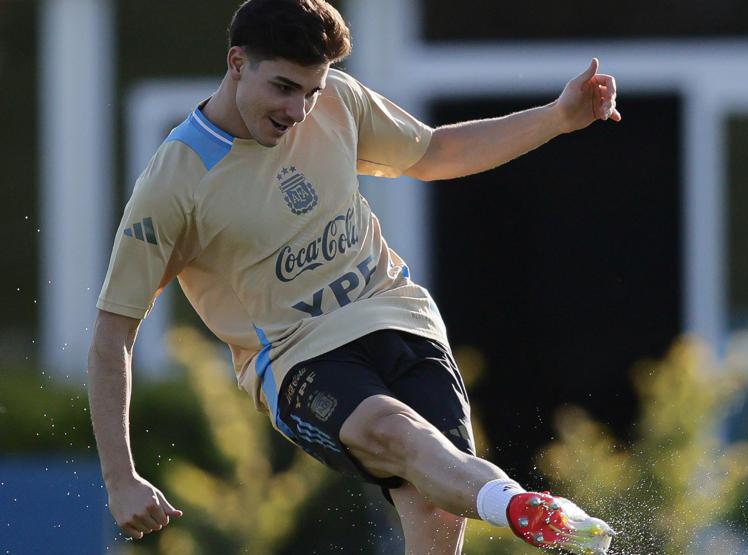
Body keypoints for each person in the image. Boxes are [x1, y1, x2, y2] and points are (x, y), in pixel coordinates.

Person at [86, 1, 619, 553]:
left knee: (436, 497)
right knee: (397, 434)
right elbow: (112, 335)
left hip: (400, 318)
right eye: (284, 88)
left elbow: (435, 151)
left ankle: (519, 507)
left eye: (311, 91)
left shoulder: (338, 100)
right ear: (237, 62)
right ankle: (525, 509)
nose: (299, 109)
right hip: (297, 357)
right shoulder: (173, 183)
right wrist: (120, 478)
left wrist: (558, 117)